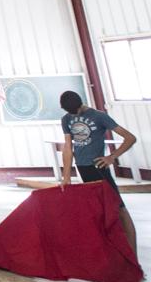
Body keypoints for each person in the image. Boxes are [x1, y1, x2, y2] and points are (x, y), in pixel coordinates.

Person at [59, 90, 138, 255]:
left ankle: (132, 255)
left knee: (119, 209)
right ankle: (108, 251)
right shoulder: (66, 119)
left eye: (75, 111)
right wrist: (67, 175)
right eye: (69, 112)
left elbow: (130, 137)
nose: (72, 115)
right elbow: (68, 147)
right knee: (97, 212)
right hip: (83, 169)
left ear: (81, 104)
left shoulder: (99, 116)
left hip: (98, 168)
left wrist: (112, 157)